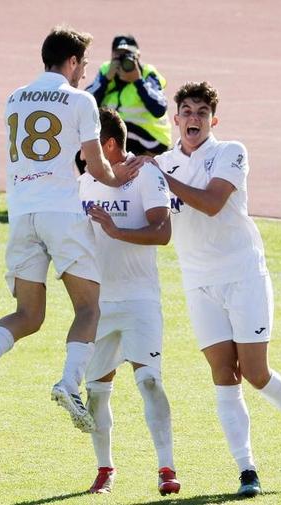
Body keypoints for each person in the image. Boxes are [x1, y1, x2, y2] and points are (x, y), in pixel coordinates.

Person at [154, 81, 281, 497]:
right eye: (187, 110)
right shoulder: (163, 163)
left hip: (243, 275)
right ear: (176, 118)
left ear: (212, 120)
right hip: (198, 282)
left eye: (202, 111)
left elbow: (212, 202)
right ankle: (247, 471)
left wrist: (160, 177)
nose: (194, 118)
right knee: (223, 374)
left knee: (254, 373)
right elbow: (152, 214)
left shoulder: (230, 152)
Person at [0, 26, 141, 433]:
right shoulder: (81, 100)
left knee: (29, 314)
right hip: (61, 212)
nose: (84, 74)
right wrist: (120, 178)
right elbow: (96, 167)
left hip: (21, 213)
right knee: (89, 307)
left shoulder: (13, 98)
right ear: (73, 61)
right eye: (83, 65)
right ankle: (68, 383)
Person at [77, 108, 179, 496]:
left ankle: (166, 467)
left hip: (139, 300)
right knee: (96, 392)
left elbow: (162, 231)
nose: (83, 156)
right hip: (97, 305)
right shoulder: (84, 183)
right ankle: (104, 469)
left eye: (88, 147)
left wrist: (117, 231)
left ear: (108, 145)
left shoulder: (145, 176)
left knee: (150, 380)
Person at [85, 35, 172, 156]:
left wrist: (138, 81)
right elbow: (86, 104)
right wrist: (106, 81)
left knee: (119, 129)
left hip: (153, 139)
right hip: (124, 137)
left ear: (138, 56)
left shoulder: (147, 74)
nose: (123, 61)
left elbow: (159, 109)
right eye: (118, 55)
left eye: (128, 55)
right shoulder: (106, 70)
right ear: (112, 56)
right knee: (85, 140)